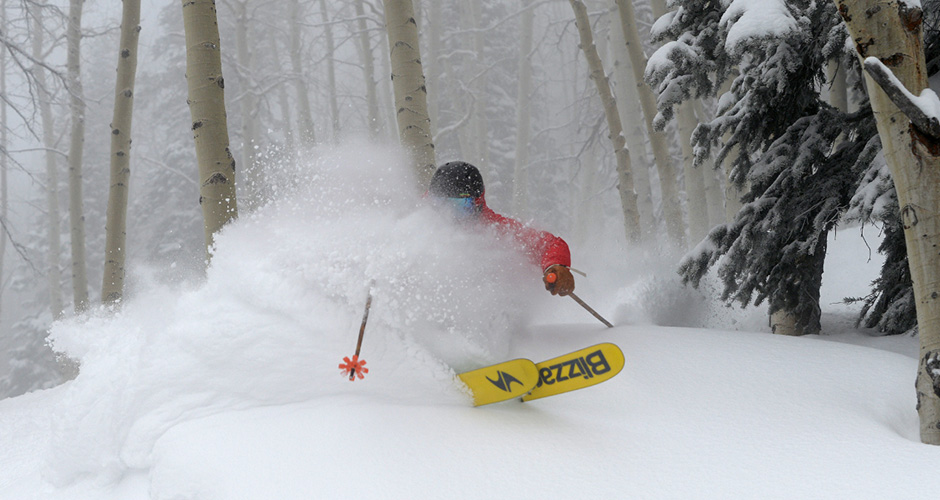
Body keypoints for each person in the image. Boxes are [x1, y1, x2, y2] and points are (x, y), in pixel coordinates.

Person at [427, 161, 575, 296]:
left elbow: (550, 244)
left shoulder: (496, 230)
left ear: (477, 203)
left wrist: (556, 265)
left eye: (460, 206)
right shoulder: (420, 226)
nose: (449, 215)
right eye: (441, 204)